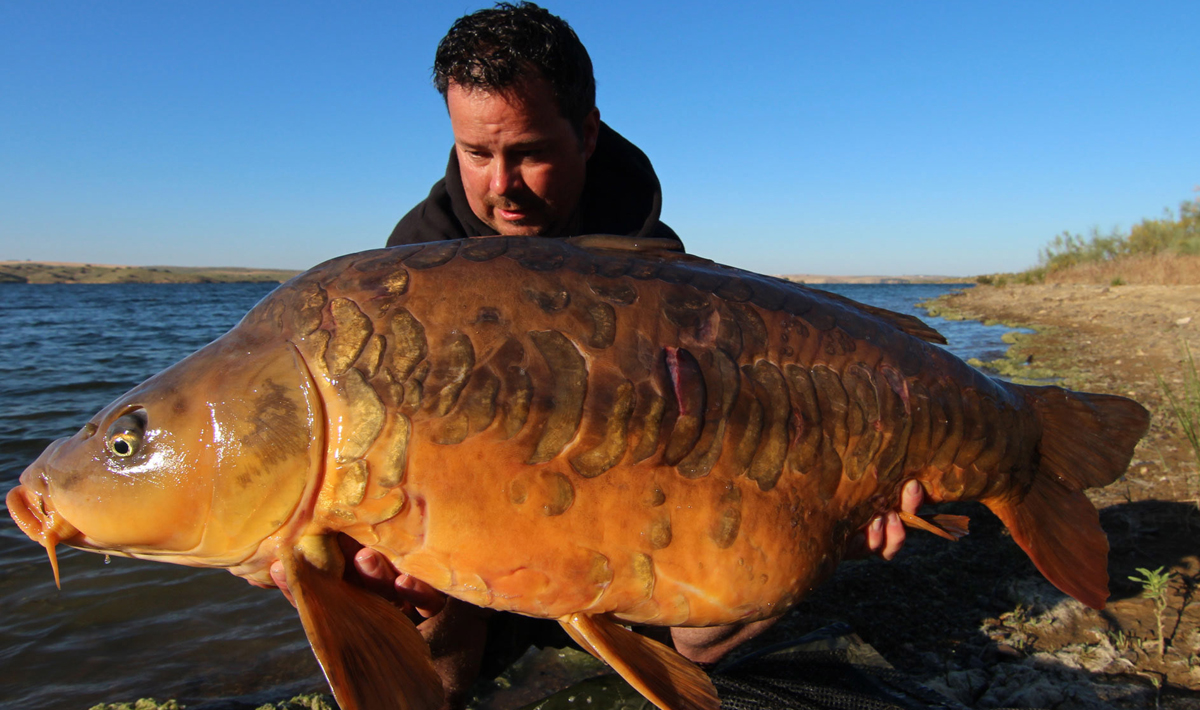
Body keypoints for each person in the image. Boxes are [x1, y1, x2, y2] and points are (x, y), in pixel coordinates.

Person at [267, 3, 925, 707]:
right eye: (476, 154)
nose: (501, 185)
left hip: (622, 514)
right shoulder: (412, 268)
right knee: (391, 573)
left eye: (529, 153)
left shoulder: (651, 259)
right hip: (472, 534)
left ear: (586, 133)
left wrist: (822, 510)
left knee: (744, 571)